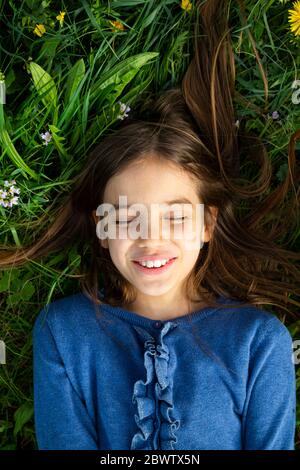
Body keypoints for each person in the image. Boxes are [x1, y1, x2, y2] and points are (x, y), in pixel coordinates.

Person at [1, 0, 299, 450]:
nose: (150, 238)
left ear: (207, 224)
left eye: (176, 215)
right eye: (125, 216)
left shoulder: (258, 343)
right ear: (102, 227)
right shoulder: (62, 333)